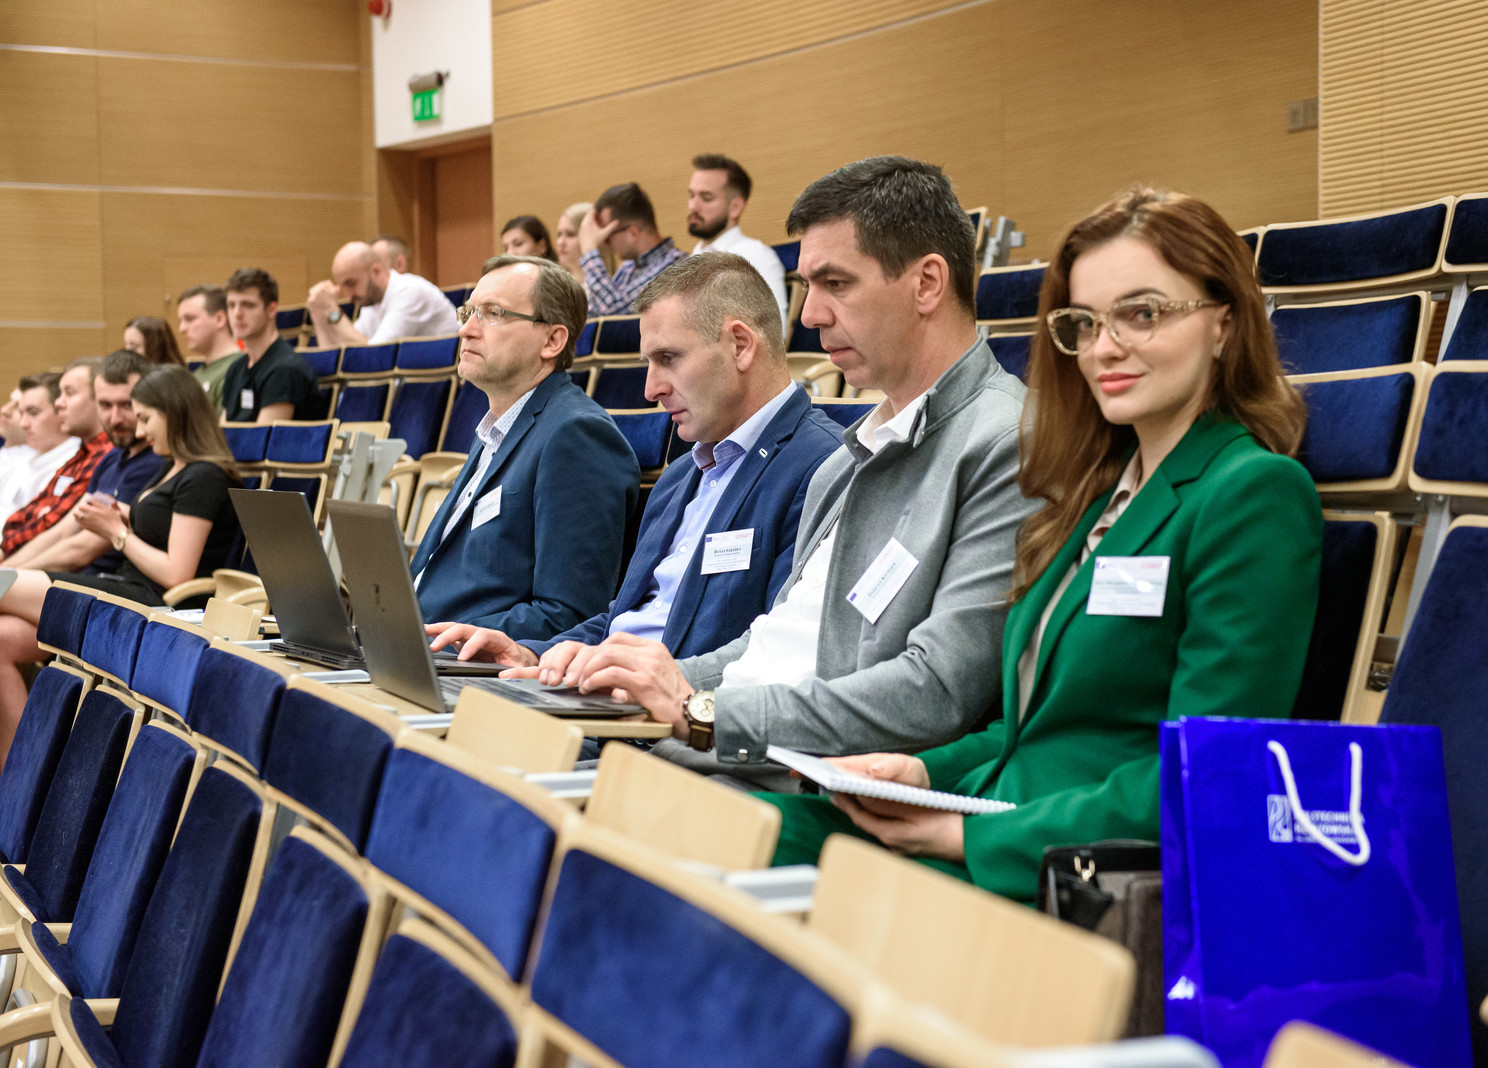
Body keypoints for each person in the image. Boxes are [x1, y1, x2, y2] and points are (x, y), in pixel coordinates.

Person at [761, 188, 1324, 901]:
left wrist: (966, 836)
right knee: (737, 824)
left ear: (1225, 323)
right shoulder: (1098, 490)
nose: (1105, 347)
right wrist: (923, 772)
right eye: (1085, 323)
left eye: (1142, 314)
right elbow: (1032, 728)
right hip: (992, 814)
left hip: (1074, 869)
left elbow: (1205, 774)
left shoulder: (1252, 493)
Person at [535, 156, 1037, 790]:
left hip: (791, 779)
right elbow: (773, 644)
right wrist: (658, 682)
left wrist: (700, 712)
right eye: (807, 285)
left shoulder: (1005, 442)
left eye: (835, 283)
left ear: (928, 283)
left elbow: (937, 691)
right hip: (722, 749)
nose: (810, 315)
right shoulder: (849, 457)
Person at [424, 252, 843, 663]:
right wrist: (531, 653)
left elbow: (778, 654)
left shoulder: (824, 467)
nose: (650, 389)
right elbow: (621, 621)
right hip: (606, 691)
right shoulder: (679, 477)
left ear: (740, 345)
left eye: (668, 359)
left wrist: (660, 685)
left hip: (679, 705)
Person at [0, 365, 244, 765]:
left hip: (150, 602)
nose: (141, 430)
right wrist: (122, 516)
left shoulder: (205, 476)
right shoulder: (173, 465)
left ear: (173, 413)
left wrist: (117, 533)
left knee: (3, 585)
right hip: (126, 586)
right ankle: (15, 769)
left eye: (146, 418)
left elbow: (177, 574)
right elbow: (159, 525)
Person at [409, 254, 639, 637]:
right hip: (413, 647)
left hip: (470, 662)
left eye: (493, 313)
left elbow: (569, 615)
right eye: (468, 312)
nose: (467, 330)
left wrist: (450, 639)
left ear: (552, 340)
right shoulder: (494, 429)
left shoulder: (577, 435)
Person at [3, 351, 164, 574]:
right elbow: (63, 530)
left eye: (126, 405)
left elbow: (81, 550)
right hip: (73, 576)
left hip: (107, 582)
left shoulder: (153, 463)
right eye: (105, 405)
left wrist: (10, 577)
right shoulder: (111, 458)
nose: (115, 418)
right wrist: (7, 572)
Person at [0, 359, 111, 560]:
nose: (60, 403)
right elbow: (28, 518)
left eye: (70, 393)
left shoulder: (106, 457)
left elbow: (59, 533)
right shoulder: (82, 454)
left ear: (99, 400)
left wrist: (7, 570)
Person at [687, 153, 788, 322]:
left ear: (735, 207)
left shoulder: (755, 256)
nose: (693, 206)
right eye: (692, 195)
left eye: (706, 198)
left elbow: (775, 331)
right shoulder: (692, 258)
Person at [306, 241, 458, 347]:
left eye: (351, 283)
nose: (348, 296)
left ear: (376, 271)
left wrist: (333, 311)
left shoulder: (409, 291)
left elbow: (376, 355)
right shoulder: (371, 302)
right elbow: (347, 350)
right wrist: (320, 318)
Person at [218, 268, 322, 423]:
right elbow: (222, 430)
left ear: (271, 310)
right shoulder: (236, 368)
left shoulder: (286, 369)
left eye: (248, 305)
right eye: (231, 305)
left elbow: (263, 436)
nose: (237, 314)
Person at [578, 183, 686, 315]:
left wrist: (589, 250)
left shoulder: (676, 267)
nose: (605, 244)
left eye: (607, 237)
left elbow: (613, 314)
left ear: (633, 233)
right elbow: (593, 314)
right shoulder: (627, 268)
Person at [0, 377, 77, 523]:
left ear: (61, 411)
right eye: (22, 413)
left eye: (33, 413)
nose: (23, 424)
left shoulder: (72, 465)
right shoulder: (28, 457)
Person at [175, 283, 243, 409]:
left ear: (219, 319)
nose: (182, 329)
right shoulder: (197, 374)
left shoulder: (240, 369)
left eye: (190, 319)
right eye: (181, 321)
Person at [0, 389, 38, 519]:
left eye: (19, 408)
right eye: (9, 402)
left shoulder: (33, 466)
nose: (5, 410)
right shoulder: (6, 452)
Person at [554, 202, 610, 282]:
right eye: (559, 235)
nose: (560, 242)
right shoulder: (556, 283)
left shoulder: (606, 285)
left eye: (570, 234)